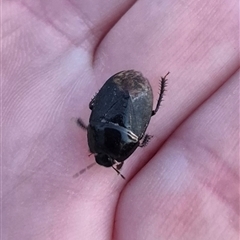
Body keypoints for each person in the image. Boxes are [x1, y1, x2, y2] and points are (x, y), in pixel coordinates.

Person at [2, 0, 239, 239]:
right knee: (105, 108)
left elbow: (143, 139)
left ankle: (162, 85)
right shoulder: (98, 136)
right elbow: (137, 137)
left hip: (129, 100)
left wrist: (141, 140)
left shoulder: (122, 143)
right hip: (121, 98)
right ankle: (162, 84)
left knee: (146, 114)